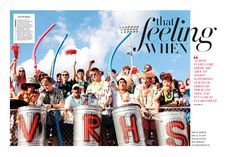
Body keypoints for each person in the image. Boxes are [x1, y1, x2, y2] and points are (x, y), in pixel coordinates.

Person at [86, 67, 113, 145]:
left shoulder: (105, 83)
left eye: (95, 74)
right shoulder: (90, 86)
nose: (93, 76)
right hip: (93, 112)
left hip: (103, 112)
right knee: (94, 135)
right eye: (92, 75)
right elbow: (87, 99)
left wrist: (104, 105)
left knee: (102, 133)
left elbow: (109, 96)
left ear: (99, 73)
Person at [37, 76, 64, 145]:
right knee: (45, 135)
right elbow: (39, 105)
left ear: (51, 83)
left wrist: (51, 106)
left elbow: (62, 104)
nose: (45, 87)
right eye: (43, 85)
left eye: (47, 85)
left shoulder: (59, 91)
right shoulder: (42, 93)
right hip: (45, 118)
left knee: (56, 135)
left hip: (57, 118)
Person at [134, 71, 159, 145]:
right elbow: (136, 99)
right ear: (141, 80)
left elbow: (156, 99)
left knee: (155, 132)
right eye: (143, 78)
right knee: (144, 132)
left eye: (147, 78)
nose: (145, 80)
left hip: (153, 112)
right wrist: (143, 108)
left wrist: (156, 112)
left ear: (150, 80)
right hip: (142, 113)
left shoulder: (154, 87)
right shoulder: (138, 87)